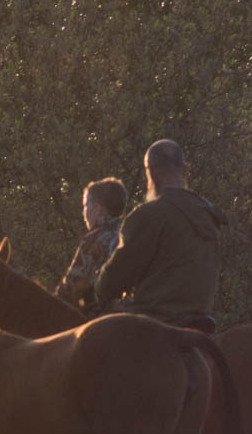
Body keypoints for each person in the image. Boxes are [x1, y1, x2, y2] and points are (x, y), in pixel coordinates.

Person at [95, 138, 225, 331]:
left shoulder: (149, 215)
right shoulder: (209, 215)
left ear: (151, 173)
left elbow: (113, 280)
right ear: (185, 170)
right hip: (200, 322)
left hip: (155, 323)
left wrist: (96, 293)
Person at [54, 177, 127, 315]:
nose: (84, 213)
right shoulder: (126, 237)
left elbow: (71, 286)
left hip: (94, 320)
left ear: (99, 209)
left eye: (86, 205)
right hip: (124, 316)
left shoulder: (93, 240)